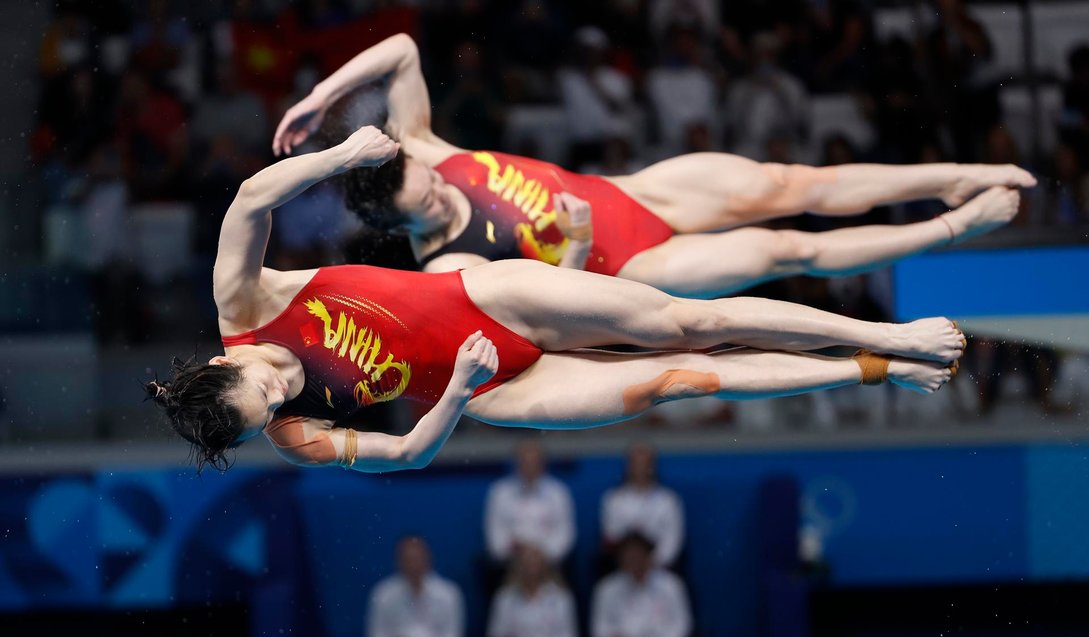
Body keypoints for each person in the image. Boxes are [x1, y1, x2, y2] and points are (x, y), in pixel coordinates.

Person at [146, 125, 964, 473]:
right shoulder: (292, 436)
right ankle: (874, 367)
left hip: (491, 300)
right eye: (272, 412)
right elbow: (408, 456)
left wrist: (340, 156)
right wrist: (459, 395)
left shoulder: (245, 302)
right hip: (492, 388)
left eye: (267, 388)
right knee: (677, 377)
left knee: (692, 321)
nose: (284, 396)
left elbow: (251, 196)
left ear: (230, 360)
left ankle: (891, 332)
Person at [272, 33, 1034, 298]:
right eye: (425, 198)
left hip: (637, 192)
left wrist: (321, 96)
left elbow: (401, 51)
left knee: (787, 184)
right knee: (788, 249)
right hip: (638, 265)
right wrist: (569, 253)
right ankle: (949, 228)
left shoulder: (429, 150)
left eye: (430, 175)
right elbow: (551, 316)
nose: (439, 187)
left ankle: (953, 174)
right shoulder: (446, 270)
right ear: (396, 221)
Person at [485, 442, 575, 564]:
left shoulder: (558, 492)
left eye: (534, 462)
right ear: (516, 463)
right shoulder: (499, 492)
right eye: (525, 462)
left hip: (549, 563)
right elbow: (495, 537)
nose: (529, 467)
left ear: (543, 464)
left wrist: (541, 555)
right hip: (511, 563)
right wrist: (519, 554)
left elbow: (565, 534)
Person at [601, 444, 684, 568]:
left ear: (652, 466)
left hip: (660, 568)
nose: (640, 468)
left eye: (645, 463)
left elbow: (672, 541)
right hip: (622, 567)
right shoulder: (613, 499)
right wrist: (631, 562)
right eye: (636, 463)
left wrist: (652, 563)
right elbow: (612, 535)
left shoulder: (668, 500)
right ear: (628, 466)